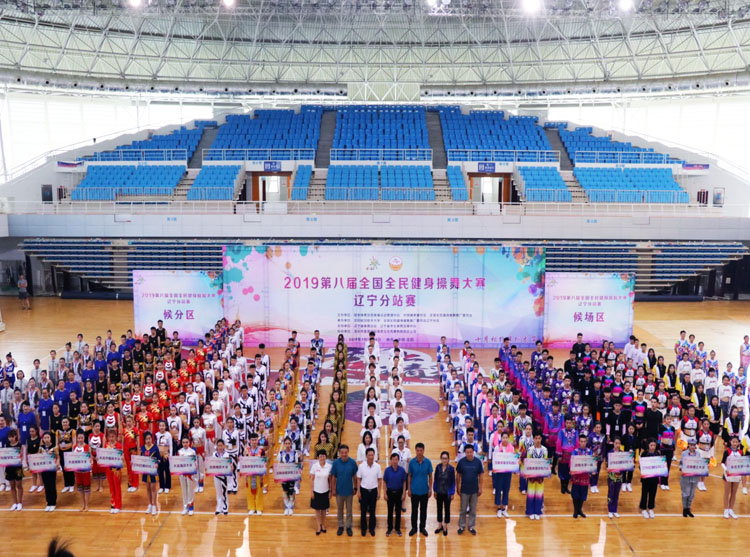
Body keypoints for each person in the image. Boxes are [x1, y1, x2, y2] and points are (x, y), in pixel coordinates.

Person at [331, 444, 358, 536]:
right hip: (339, 491)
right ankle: (341, 526)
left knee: (349, 510)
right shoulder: (335, 463)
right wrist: (333, 489)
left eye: (345, 452)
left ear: (348, 452)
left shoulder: (352, 462)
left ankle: (349, 526)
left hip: (349, 491)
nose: (344, 454)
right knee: (340, 509)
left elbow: (355, 476)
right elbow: (333, 477)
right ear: (339, 453)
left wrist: (355, 487)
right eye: (342, 452)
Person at [456, 444, 483, 535]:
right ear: (465, 453)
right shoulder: (461, 462)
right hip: (464, 490)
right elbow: (458, 475)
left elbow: (481, 475)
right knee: (463, 509)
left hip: (474, 490)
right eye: (467, 452)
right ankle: (461, 526)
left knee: (473, 509)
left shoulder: (478, 462)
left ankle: (471, 526)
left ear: (473, 452)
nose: (469, 454)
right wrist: (458, 486)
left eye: (470, 452)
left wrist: (480, 487)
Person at [407, 442, 433, 537]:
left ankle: (422, 527)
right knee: (414, 511)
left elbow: (430, 476)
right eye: (417, 450)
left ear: (423, 451)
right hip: (414, 491)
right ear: (415, 451)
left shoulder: (428, 462)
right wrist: (409, 489)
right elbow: (409, 476)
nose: (419, 452)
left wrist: (430, 489)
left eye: (421, 450)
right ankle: (414, 528)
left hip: (424, 491)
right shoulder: (412, 462)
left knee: (423, 510)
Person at [356, 447, 382, 537]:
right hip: (364, 491)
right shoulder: (361, 466)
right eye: (369, 455)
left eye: (372, 455)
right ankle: (363, 528)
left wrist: (379, 492)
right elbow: (358, 479)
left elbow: (379, 480)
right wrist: (358, 491)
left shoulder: (377, 466)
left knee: (372, 511)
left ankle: (372, 528)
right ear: (366, 456)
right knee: (363, 511)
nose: (371, 457)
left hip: (373, 491)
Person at [523, 431, 548, 520]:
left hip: (540, 476)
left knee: (539, 493)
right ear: (533, 439)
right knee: (531, 493)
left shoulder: (545, 450)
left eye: (539, 438)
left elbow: (546, 462)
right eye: (536, 438)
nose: (537, 440)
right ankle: (530, 511)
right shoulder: (530, 450)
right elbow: (528, 462)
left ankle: (537, 511)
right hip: (532, 476)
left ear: (541, 439)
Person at [492, 430, 515, 518]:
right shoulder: (497, 448)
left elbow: (514, 459)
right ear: (501, 438)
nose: (505, 439)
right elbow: (494, 459)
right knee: (498, 489)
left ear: (508, 438)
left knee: (506, 489)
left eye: (506, 438)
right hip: (499, 472)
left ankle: (504, 508)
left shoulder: (512, 448)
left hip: (508, 472)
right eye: (503, 438)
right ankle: (498, 508)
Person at [384, 452, 407, 536]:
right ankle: (389, 528)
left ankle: (397, 529)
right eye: (393, 459)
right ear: (391, 460)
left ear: (398, 460)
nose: (394, 461)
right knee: (390, 511)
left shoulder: (402, 470)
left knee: (398, 512)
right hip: (390, 493)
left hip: (399, 492)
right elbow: (384, 482)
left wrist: (404, 493)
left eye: (396, 459)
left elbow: (404, 482)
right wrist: (385, 493)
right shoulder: (387, 470)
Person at [310, 449, 332, 535]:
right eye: (320, 456)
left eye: (323, 456)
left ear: (325, 457)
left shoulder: (329, 466)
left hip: (325, 491)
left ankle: (323, 525)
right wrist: (311, 492)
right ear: (318, 457)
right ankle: (318, 526)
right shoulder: (314, 466)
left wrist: (330, 491)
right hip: (316, 491)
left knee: (324, 509)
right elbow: (311, 480)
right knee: (317, 510)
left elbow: (330, 480)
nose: (322, 458)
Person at [433, 450, 455, 535]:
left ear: (448, 459)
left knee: (447, 509)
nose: (444, 460)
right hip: (439, 492)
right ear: (441, 459)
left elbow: (453, 482)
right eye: (443, 458)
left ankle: (445, 526)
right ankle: (440, 525)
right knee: (439, 508)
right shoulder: (438, 467)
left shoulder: (451, 469)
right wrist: (435, 490)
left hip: (447, 493)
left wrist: (452, 492)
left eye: (446, 458)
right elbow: (435, 479)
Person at [722, 435, 743, 519]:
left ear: (738, 443)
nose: (735, 443)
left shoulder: (741, 452)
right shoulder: (727, 451)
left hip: (737, 474)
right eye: (733, 441)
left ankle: (731, 509)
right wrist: (726, 469)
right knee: (727, 492)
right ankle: (725, 510)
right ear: (730, 442)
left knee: (734, 493)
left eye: (736, 442)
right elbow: (722, 463)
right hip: (728, 474)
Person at [679, 439, 701, 517]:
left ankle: (688, 508)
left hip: (695, 476)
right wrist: (682, 469)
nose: (692, 446)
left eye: (693, 445)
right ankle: (685, 508)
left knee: (692, 494)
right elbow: (681, 464)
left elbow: (700, 464)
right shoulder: (684, 453)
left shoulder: (698, 454)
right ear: (688, 445)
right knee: (686, 493)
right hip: (686, 476)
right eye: (691, 445)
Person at [571, 434, 592, 519]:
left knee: (583, 494)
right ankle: (575, 510)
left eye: (584, 441)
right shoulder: (575, 451)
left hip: (585, 476)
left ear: (586, 442)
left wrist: (592, 470)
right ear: (579, 442)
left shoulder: (589, 452)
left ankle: (580, 509)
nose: (583, 443)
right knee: (575, 494)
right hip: (576, 476)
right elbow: (572, 462)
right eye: (581, 441)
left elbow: (591, 463)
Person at [639, 439, 661, 519]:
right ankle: (643, 508)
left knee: (653, 493)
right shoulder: (644, 454)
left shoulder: (657, 454)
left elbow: (661, 465)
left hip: (654, 478)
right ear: (648, 445)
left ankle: (651, 508)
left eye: (654, 445)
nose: (653, 447)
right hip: (646, 478)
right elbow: (640, 466)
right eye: (651, 445)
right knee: (644, 493)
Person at [103, 428, 123, 514]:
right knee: (111, 487)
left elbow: (121, 456)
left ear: (116, 437)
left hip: (116, 469)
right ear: (107, 437)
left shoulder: (119, 445)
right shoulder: (106, 445)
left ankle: (118, 505)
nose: (111, 438)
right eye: (110, 437)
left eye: (113, 436)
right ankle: (113, 503)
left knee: (117, 487)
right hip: (108, 468)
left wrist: (121, 457)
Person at [245, 433, 265, 515]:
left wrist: (263, 473)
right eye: (252, 440)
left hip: (258, 473)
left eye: (255, 440)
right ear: (250, 441)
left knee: (259, 490)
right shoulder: (247, 450)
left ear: (258, 441)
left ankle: (259, 508)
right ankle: (252, 507)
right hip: (249, 473)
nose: (254, 442)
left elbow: (264, 462)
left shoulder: (261, 450)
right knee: (249, 490)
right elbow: (244, 462)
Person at [72, 432, 92, 511]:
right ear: (77, 438)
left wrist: (90, 463)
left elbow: (90, 458)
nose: (80, 440)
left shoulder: (87, 447)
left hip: (85, 471)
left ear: (84, 438)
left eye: (82, 438)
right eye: (79, 438)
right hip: (77, 471)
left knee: (86, 488)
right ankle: (82, 504)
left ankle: (86, 505)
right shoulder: (74, 447)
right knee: (80, 488)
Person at [141, 431, 160, 515]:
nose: (148, 440)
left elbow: (159, 459)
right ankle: (149, 504)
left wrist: (157, 464)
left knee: (153, 488)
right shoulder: (143, 448)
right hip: (145, 471)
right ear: (144, 440)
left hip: (153, 471)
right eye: (146, 439)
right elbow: (140, 459)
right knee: (147, 488)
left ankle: (154, 505)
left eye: (149, 438)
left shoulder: (155, 448)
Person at [4, 429, 23, 510]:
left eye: (12, 437)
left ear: (15, 436)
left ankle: (20, 502)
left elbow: (21, 456)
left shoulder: (19, 445)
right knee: (12, 486)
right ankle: (15, 503)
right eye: (9, 437)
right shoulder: (7, 444)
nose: (10, 439)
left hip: (17, 467)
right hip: (9, 467)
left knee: (19, 485)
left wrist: (18, 460)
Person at [39, 431, 58, 512]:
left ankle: (53, 502)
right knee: (46, 486)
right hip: (44, 468)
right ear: (43, 439)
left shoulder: (54, 447)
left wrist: (57, 464)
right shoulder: (41, 448)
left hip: (52, 469)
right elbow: (38, 457)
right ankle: (48, 502)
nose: (46, 439)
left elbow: (58, 457)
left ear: (50, 438)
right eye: (45, 438)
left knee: (52, 485)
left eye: (48, 437)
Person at [606, 437, 625, 518]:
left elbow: (624, 464)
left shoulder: (622, 453)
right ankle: (610, 510)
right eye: (616, 443)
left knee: (616, 493)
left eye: (619, 443)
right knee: (611, 493)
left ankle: (615, 510)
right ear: (613, 443)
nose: (617, 445)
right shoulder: (610, 453)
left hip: (619, 477)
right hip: (611, 477)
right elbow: (608, 464)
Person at [177, 437, 197, 516]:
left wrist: (194, 471)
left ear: (189, 443)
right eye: (183, 442)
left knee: (190, 490)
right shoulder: (179, 451)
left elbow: (195, 462)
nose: (185, 444)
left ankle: (191, 507)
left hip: (190, 474)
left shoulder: (192, 451)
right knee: (184, 490)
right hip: (182, 473)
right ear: (182, 443)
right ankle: (185, 507)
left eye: (186, 442)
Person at [212, 439, 230, 515]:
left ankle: (225, 506)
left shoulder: (227, 454)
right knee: (218, 491)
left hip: (224, 475)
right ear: (217, 446)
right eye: (218, 446)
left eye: (221, 445)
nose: (220, 447)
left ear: (224, 446)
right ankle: (219, 507)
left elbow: (229, 465)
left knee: (224, 491)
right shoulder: (214, 454)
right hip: (216, 475)